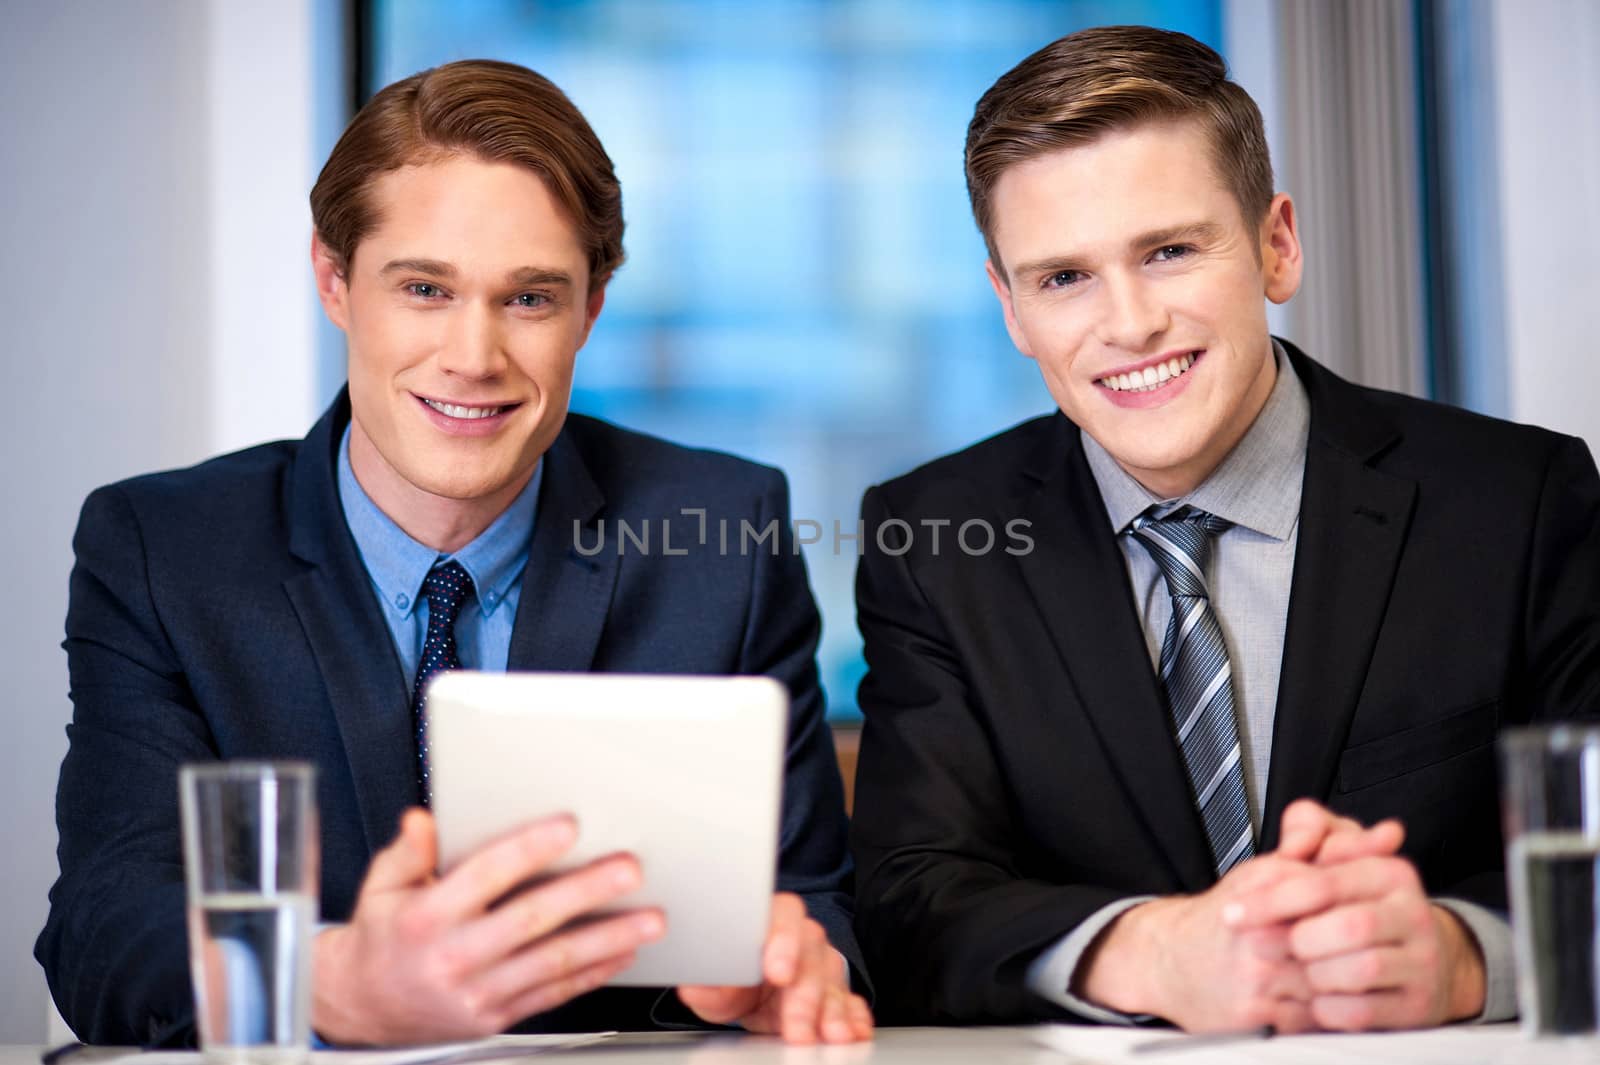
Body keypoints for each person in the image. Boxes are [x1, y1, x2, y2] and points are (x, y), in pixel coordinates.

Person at [38, 59, 872, 1048]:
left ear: (591, 309)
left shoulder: (723, 529)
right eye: (425, 288)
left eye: (529, 300)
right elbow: (102, 929)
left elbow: (815, 906)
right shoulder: (166, 552)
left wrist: (772, 977)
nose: (474, 356)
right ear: (333, 281)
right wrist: (331, 981)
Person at [850, 25, 1600, 1034]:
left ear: (1274, 244)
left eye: (1167, 251)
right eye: (1063, 277)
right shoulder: (934, 537)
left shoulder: (1518, 499)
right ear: (1011, 308)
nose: (1127, 324)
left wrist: (1467, 956)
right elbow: (906, 901)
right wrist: (1146, 954)